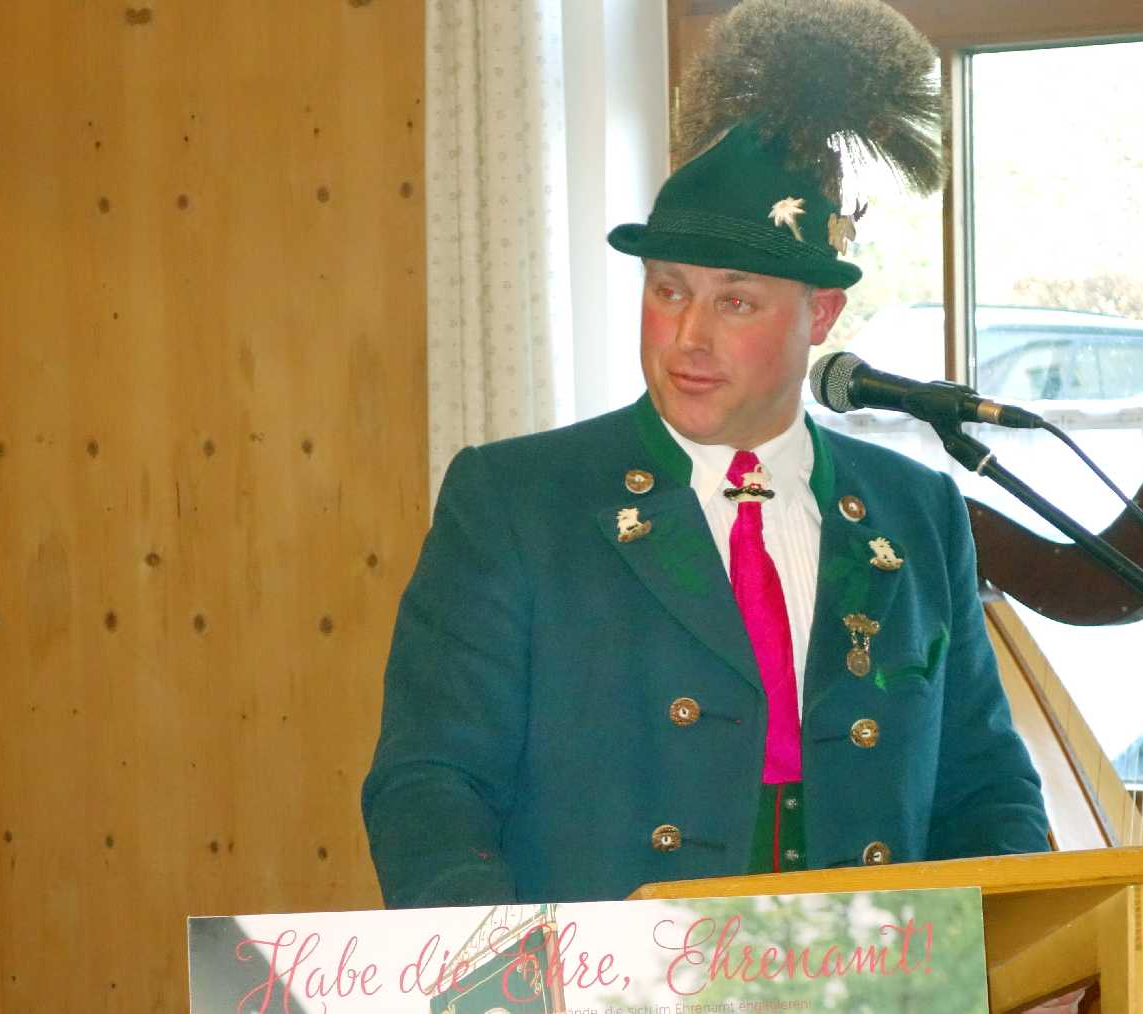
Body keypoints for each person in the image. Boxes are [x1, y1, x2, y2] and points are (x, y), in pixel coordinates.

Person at [361, 0, 1050, 909]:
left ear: (820, 315)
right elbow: (429, 783)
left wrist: (1008, 946)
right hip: (604, 976)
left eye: (734, 302)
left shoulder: (916, 512)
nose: (687, 336)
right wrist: (508, 965)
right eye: (667, 291)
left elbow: (985, 785)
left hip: (876, 972)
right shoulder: (518, 501)